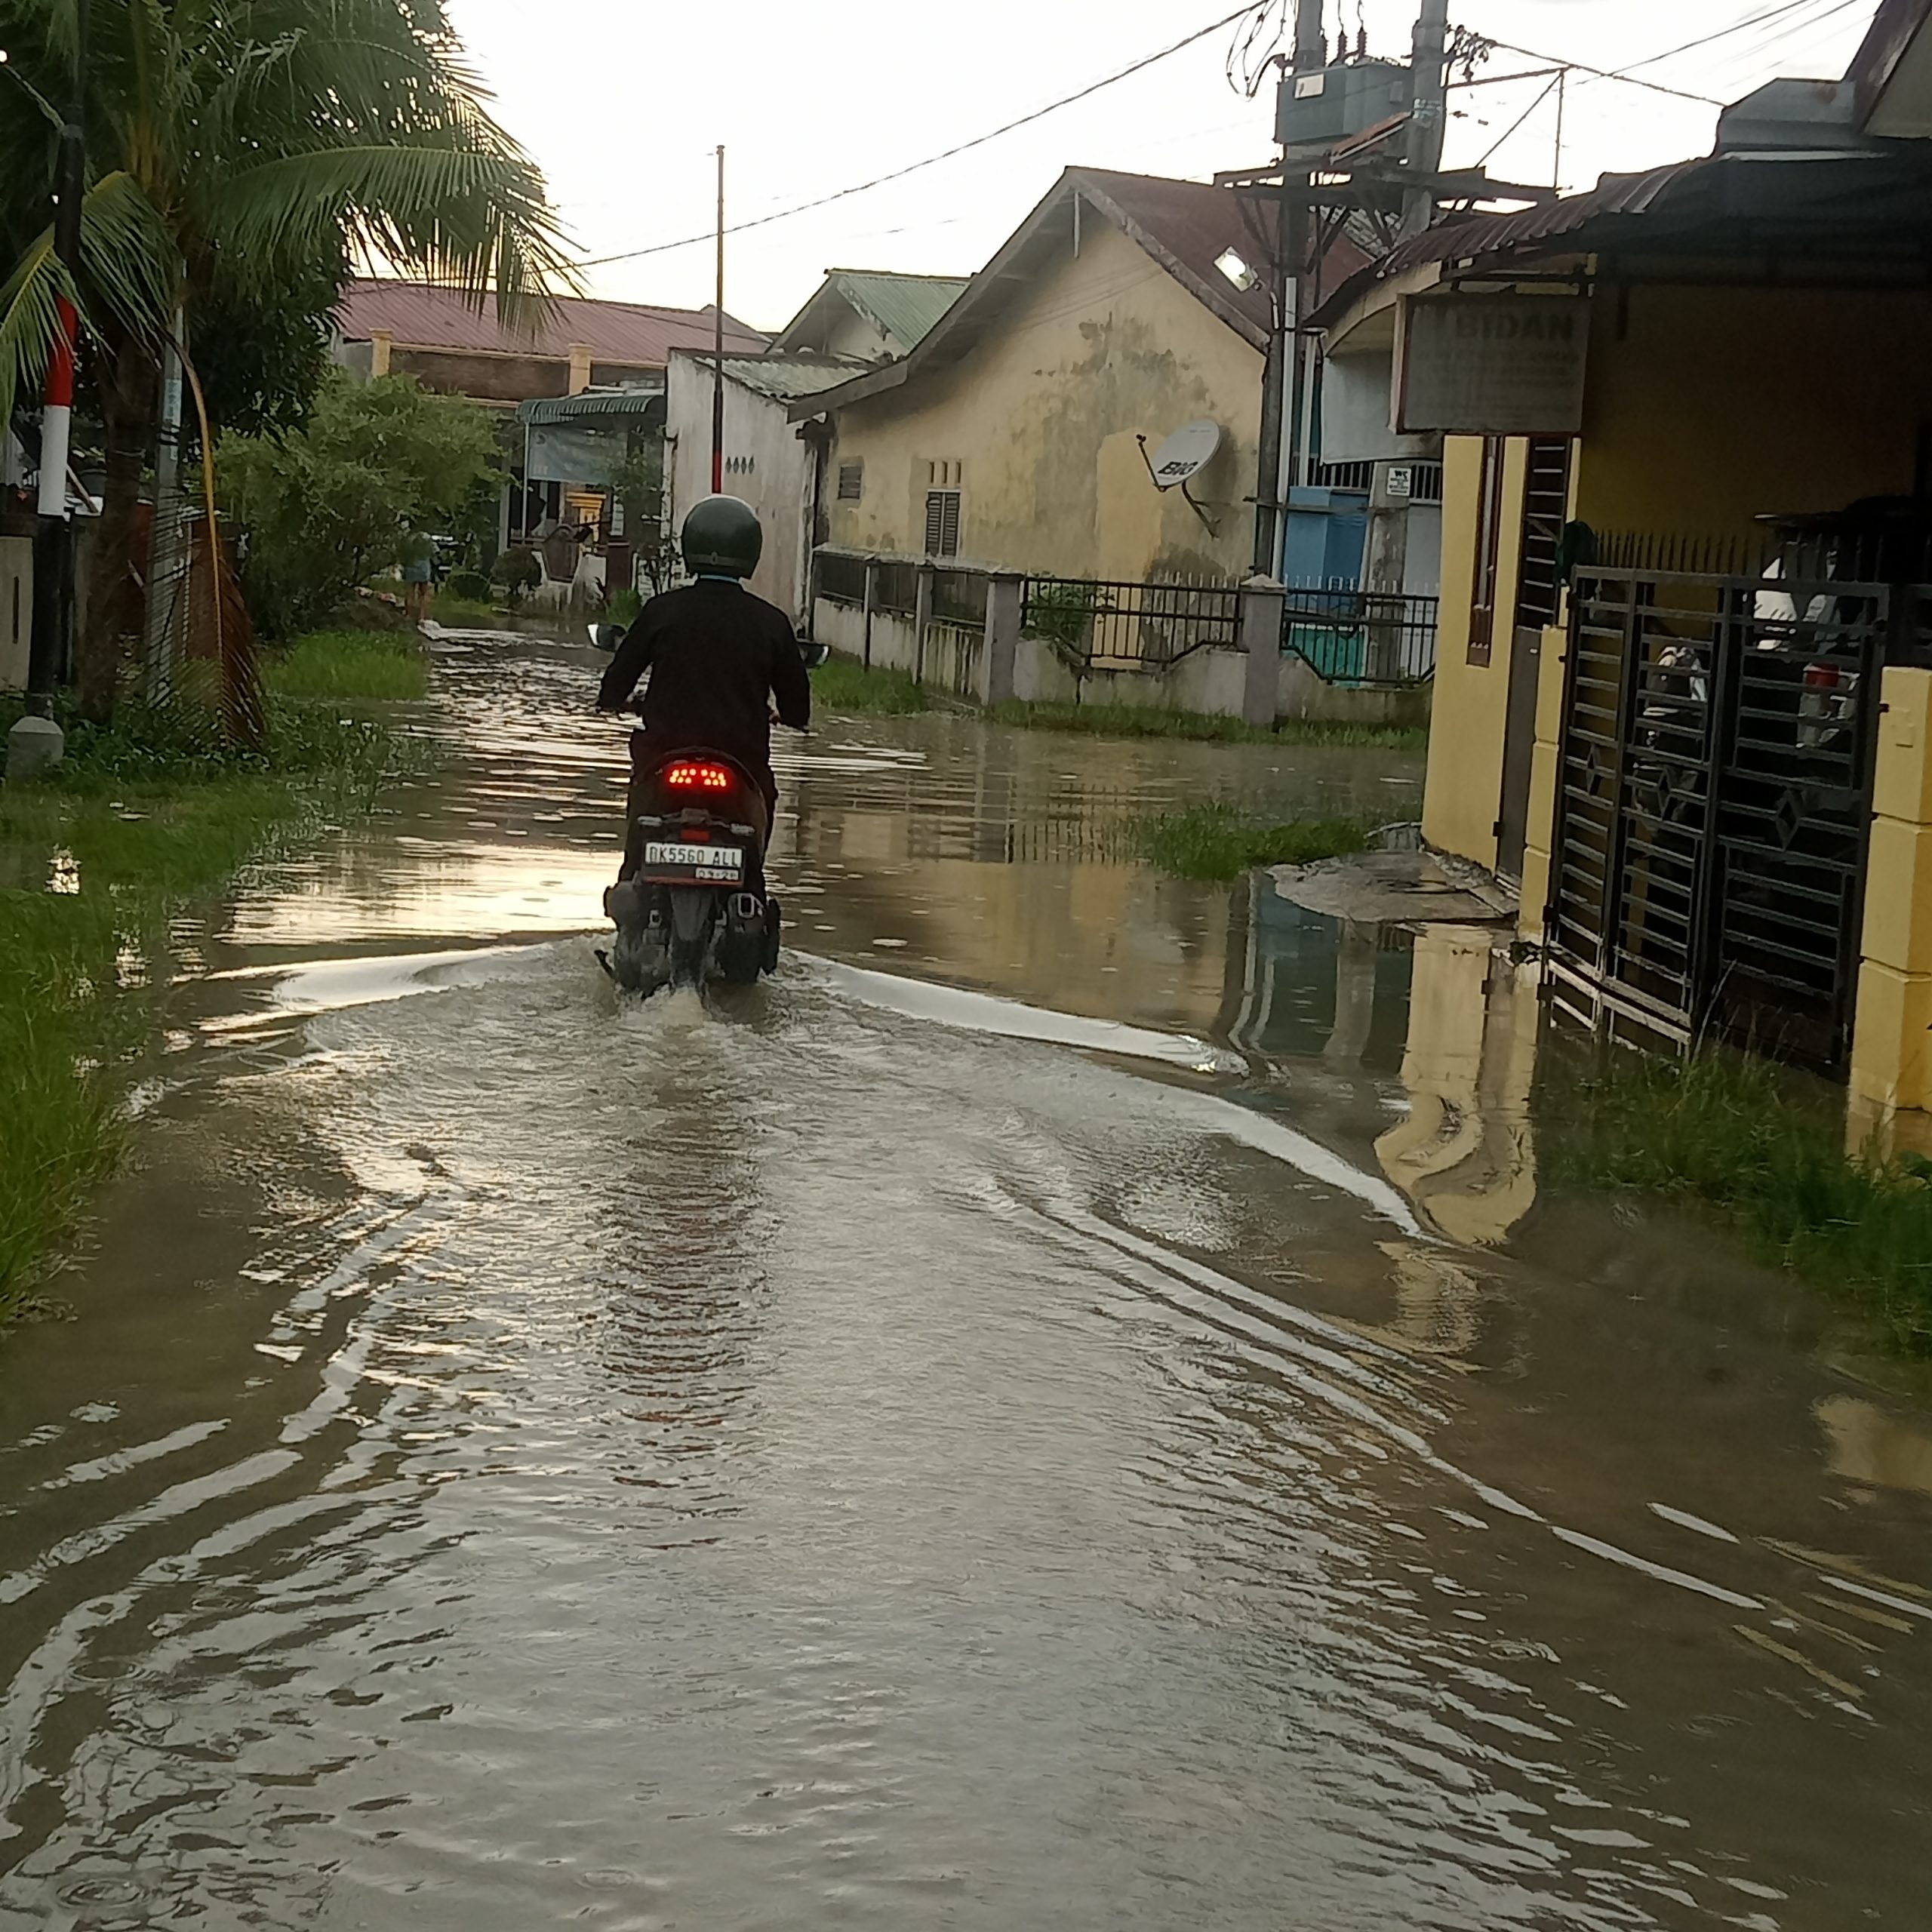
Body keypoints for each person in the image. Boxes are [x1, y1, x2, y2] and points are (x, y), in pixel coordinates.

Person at [595, 494, 810, 881]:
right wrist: (786, 716)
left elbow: (619, 675)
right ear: (751, 552)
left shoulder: (662, 611)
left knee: (638, 836)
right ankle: (750, 890)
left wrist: (614, 701)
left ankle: (631, 883)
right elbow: (798, 704)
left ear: (689, 547)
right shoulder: (771, 622)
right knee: (754, 857)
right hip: (741, 763)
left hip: (664, 756)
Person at [398, 528, 435, 626]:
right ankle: (421, 616)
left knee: (410, 593)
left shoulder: (410, 540)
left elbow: (403, 553)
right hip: (424, 569)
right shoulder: (428, 540)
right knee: (424, 594)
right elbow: (435, 552)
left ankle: (408, 615)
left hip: (411, 567)